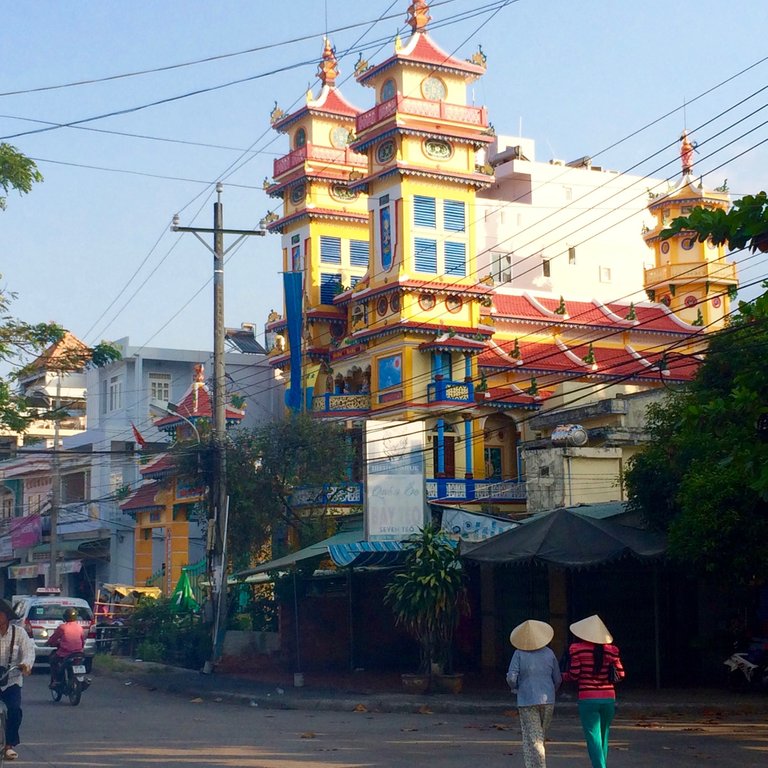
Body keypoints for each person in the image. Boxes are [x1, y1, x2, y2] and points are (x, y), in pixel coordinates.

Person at [563, 615, 625, 768]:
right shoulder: (612, 651)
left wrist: (562, 677)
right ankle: (601, 764)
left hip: (588, 699)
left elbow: (575, 674)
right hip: (609, 698)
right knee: (604, 736)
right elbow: (621, 674)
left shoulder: (577, 650)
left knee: (593, 737)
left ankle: (599, 766)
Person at [506, 619, 562, 768]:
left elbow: (511, 677)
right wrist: (551, 690)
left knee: (532, 737)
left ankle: (538, 765)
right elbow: (558, 678)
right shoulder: (549, 653)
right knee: (540, 736)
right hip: (548, 699)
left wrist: (515, 687)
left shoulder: (519, 653)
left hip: (526, 699)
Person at [0, 598, 35, 761]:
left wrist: (25, 664)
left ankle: (9, 746)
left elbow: (29, 651)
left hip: (12, 679)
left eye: (1, 613)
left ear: (7, 616)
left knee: (14, 711)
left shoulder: (19, 633)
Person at [46, 607, 85, 689]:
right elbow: (82, 640)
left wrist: (48, 643)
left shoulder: (62, 627)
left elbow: (53, 639)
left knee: (53, 660)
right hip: (79, 653)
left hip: (65, 653)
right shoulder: (79, 627)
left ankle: (56, 680)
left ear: (65, 617)